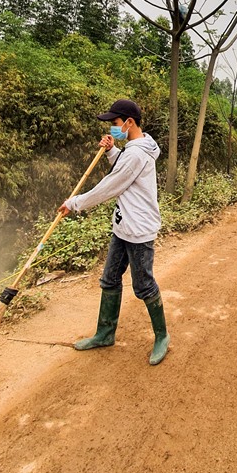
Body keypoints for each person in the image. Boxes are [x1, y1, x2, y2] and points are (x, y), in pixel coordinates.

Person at [60, 98, 170, 366]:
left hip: (139, 231)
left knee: (143, 285)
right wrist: (111, 151)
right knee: (110, 279)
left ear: (129, 123)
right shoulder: (137, 147)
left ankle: (162, 336)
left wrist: (74, 203)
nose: (112, 129)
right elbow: (123, 169)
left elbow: (110, 186)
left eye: (115, 124)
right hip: (123, 227)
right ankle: (105, 333)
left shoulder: (135, 153)